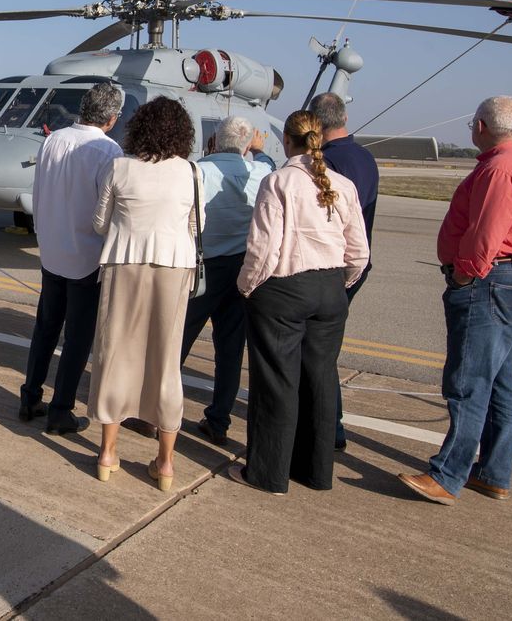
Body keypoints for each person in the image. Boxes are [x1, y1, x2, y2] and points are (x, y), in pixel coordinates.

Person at [399, 96, 512, 505]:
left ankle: (447, 475)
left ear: (481, 126)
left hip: (491, 281)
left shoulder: (500, 169)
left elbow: (487, 233)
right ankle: (494, 472)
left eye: (472, 124)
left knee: (468, 382)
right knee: (502, 383)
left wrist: (464, 273)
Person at [226, 110, 368, 495]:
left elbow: (263, 248)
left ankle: (269, 472)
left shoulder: (278, 182)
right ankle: (317, 471)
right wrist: (341, 283)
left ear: (287, 141)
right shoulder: (342, 184)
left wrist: (247, 286)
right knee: (321, 380)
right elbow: (359, 251)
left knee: (277, 382)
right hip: (330, 289)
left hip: (285, 289)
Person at [90, 97, 204, 487]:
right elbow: (196, 225)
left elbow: (100, 222)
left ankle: (107, 452)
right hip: (175, 266)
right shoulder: (190, 172)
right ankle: (166, 462)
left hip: (124, 262)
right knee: (166, 358)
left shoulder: (120, 167)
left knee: (115, 352)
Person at [18, 82, 123, 434]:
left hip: (51, 250)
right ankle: (61, 409)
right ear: (110, 118)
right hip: (86, 256)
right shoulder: (108, 151)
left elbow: (41, 190)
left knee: (46, 327)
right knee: (77, 337)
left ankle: (30, 396)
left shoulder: (53, 140)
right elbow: (108, 210)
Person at [180, 116, 274, 446]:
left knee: (178, 341)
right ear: (247, 145)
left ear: (214, 141)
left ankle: (158, 411)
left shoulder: (196, 171)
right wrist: (258, 151)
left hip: (201, 267)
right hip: (240, 268)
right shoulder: (261, 172)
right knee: (230, 350)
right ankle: (218, 419)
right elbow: (267, 162)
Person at [309, 91, 379, 451]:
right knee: (325, 347)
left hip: (329, 267)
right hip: (356, 264)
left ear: (316, 125)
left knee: (318, 351)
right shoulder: (366, 158)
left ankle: (329, 425)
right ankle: (329, 423)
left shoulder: (326, 164)